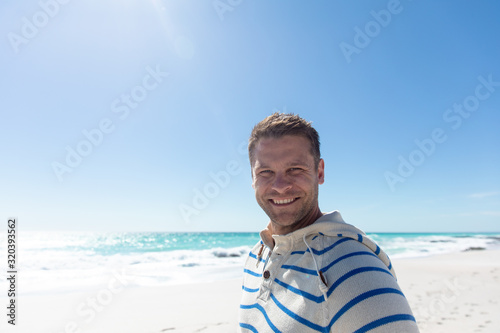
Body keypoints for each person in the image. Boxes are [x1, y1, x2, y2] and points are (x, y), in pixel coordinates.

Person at [238, 113, 419, 332]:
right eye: (266, 172)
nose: (280, 185)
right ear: (252, 178)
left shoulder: (357, 273)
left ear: (319, 171)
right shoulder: (256, 256)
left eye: (295, 169)